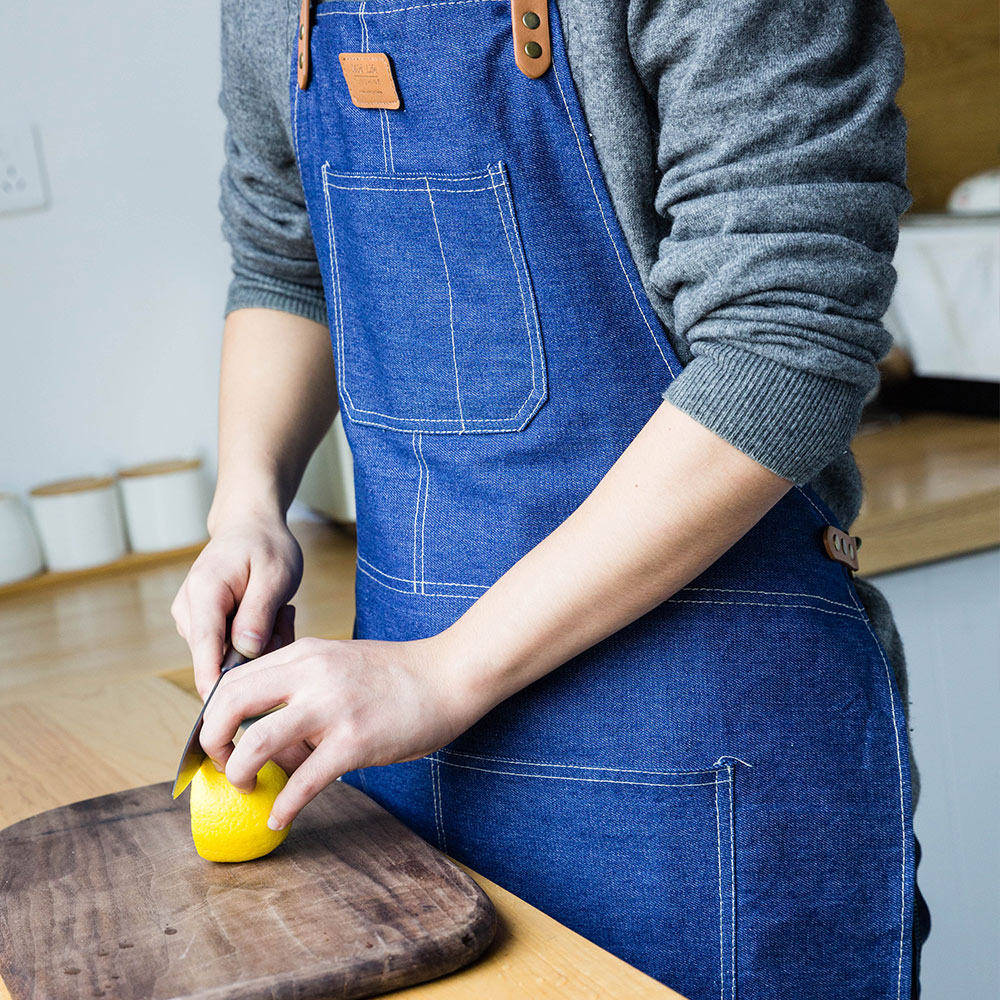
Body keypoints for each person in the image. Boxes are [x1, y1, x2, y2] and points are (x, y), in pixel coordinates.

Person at [172, 1, 930, 996]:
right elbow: (282, 259)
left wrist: (443, 675)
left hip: (706, 782)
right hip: (405, 761)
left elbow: (781, 347)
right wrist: (247, 501)